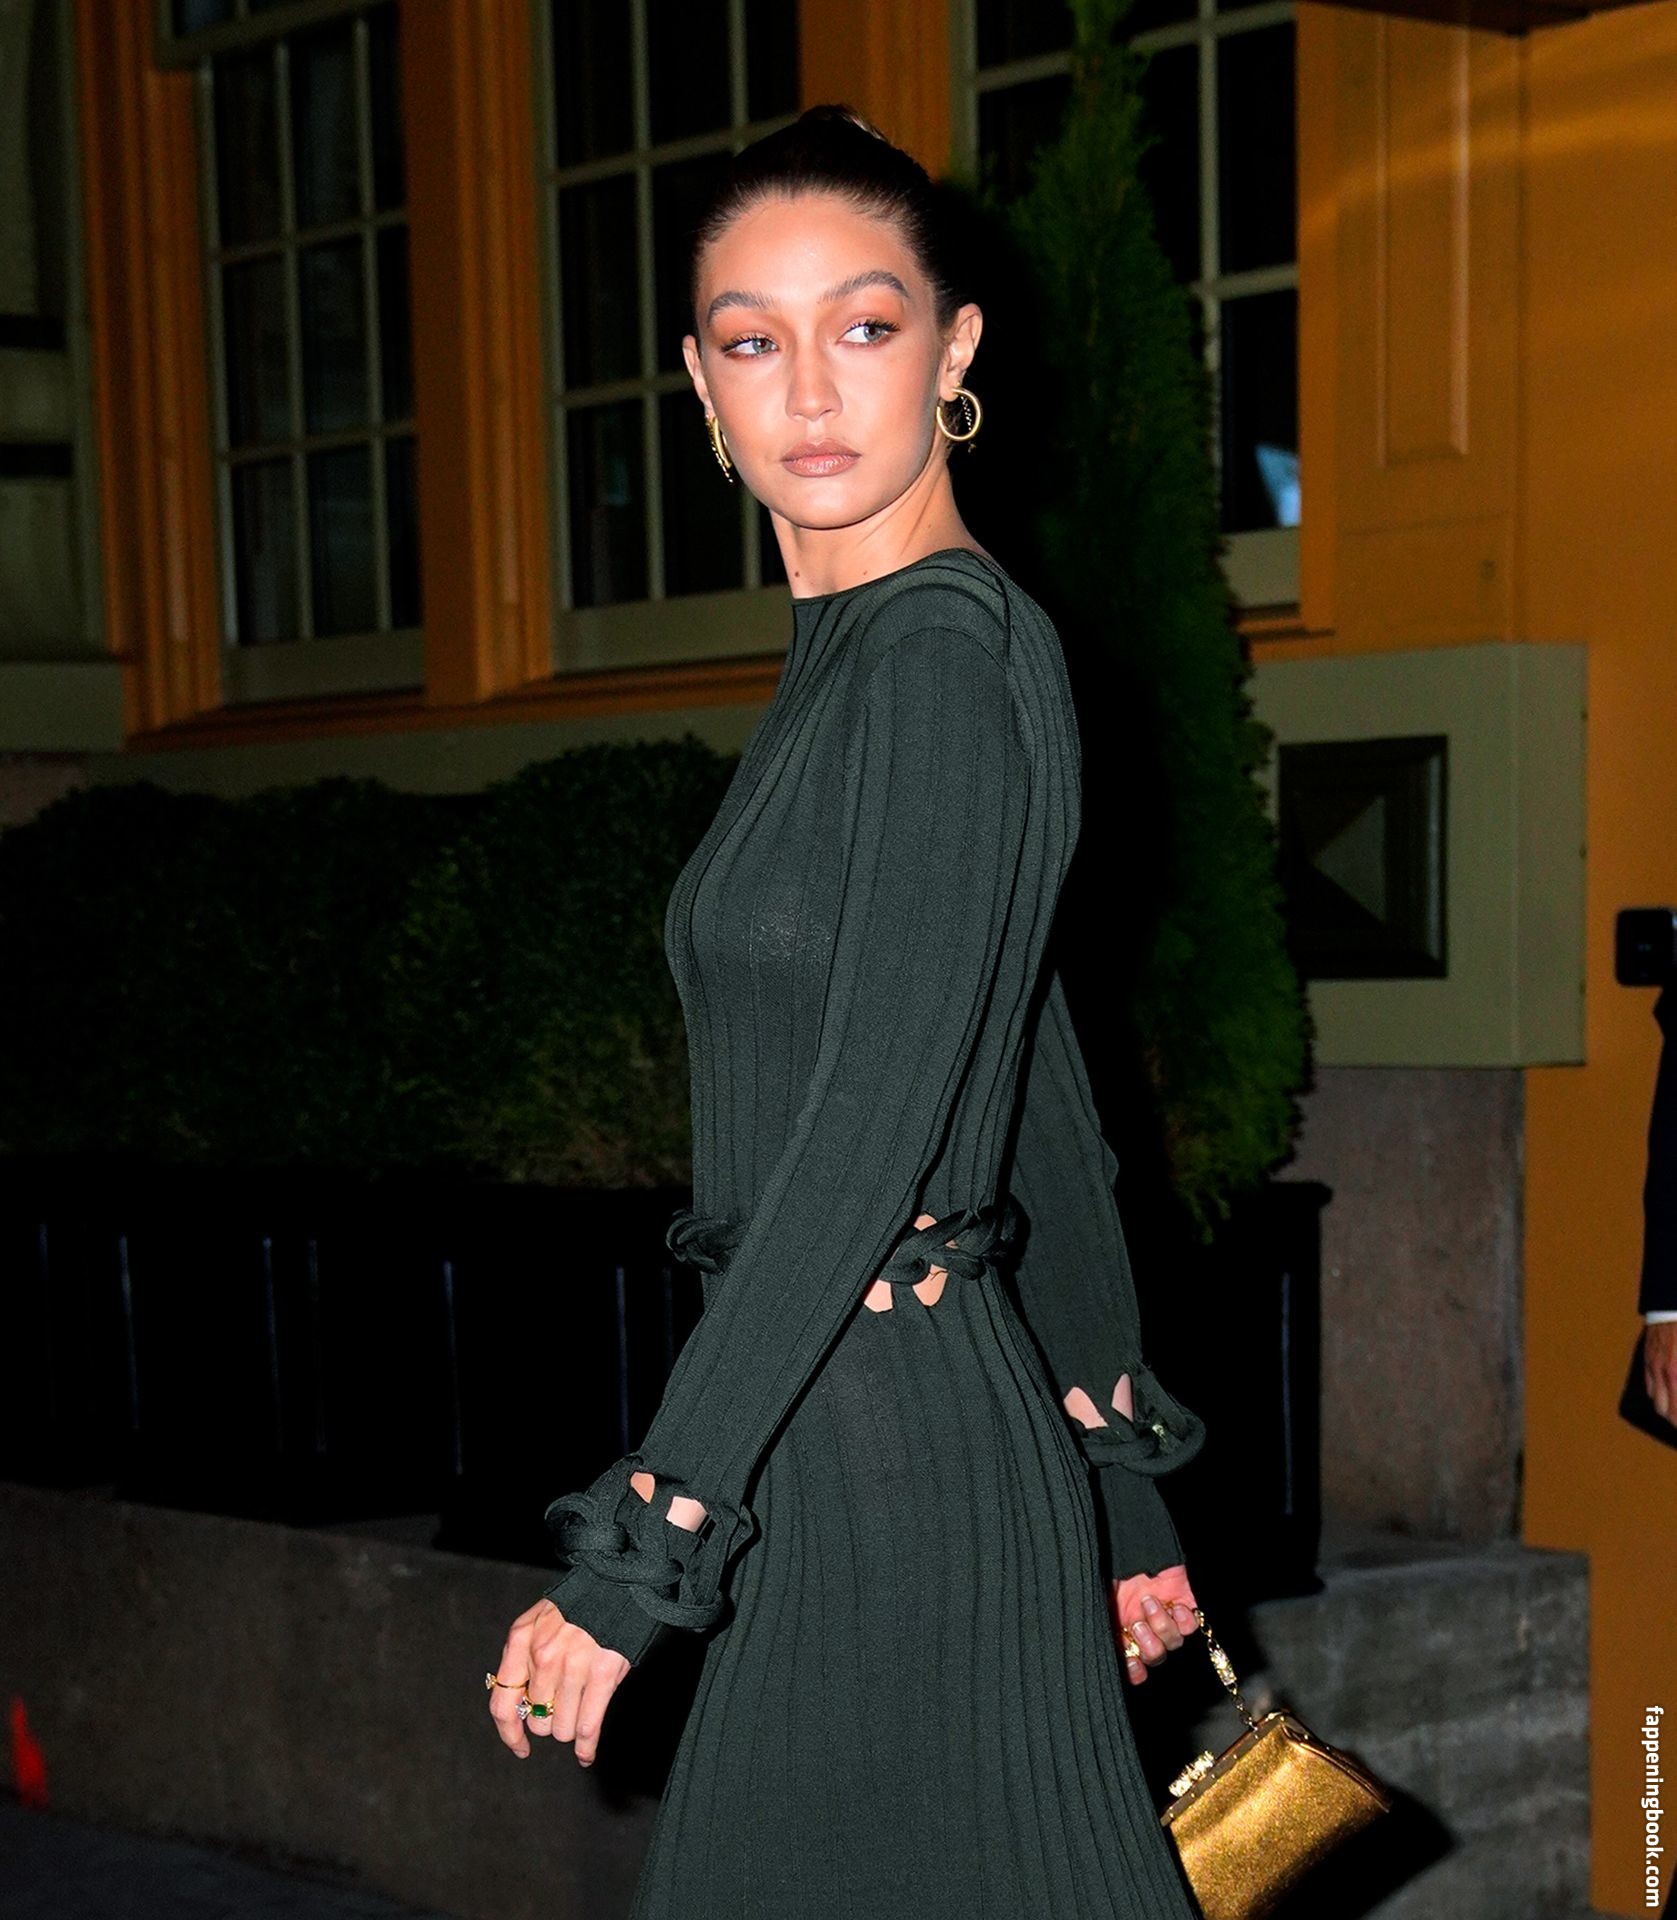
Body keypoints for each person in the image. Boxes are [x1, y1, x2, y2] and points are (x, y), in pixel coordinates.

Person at [487, 104, 1209, 1918]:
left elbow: (870, 1145)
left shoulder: (943, 663)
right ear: (698, 383)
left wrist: (641, 1549)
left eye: (865, 326)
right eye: (753, 341)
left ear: (954, 350)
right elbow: (1043, 1100)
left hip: (900, 1481)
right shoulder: (866, 660)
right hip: (841, 1449)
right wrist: (1123, 1495)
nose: (809, 391)